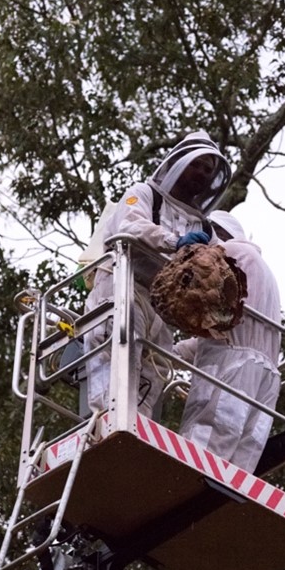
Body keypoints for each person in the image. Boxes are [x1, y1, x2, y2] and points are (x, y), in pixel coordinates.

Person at [83, 130, 232, 417]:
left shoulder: (203, 226)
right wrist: (174, 242)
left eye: (207, 170)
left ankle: (136, 430)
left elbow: (222, 266)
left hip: (163, 305)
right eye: (197, 164)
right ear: (178, 162)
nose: (201, 173)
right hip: (121, 283)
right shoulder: (144, 194)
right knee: (118, 347)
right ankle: (106, 422)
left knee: (155, 366)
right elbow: (129, 225)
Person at [174, 210, 281, 472]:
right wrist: (171, 353)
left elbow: (220, 332)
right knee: (242, 455)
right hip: (265, 374)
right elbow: (236, 327)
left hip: (230, 364)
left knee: (206, 439)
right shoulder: (261, 268)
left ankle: (188, 489)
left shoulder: (228, 252)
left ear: (216, 232)